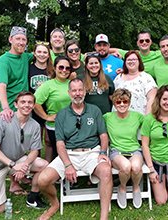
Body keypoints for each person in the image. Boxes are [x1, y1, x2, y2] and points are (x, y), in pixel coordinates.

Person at [37, 78, 112, 220]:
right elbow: (59, 143)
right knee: (42, 180)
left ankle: (104, 217)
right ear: (69, 92)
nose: (77, 93)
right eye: (74, 90)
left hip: (92, 152)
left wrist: (102, 152)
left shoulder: (94, 110)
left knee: (106, 172)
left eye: (80, 90)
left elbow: (103, 135)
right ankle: (54, 204)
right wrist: (67, 164)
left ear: (85, 91)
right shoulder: (62, 114)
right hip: (69, 153)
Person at [0, 91, 49, 213]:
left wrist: (25, 166)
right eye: (23, 102)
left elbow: (34, 151)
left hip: (18, 160)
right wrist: (14, 165)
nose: (26, 105)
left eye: (30, 102)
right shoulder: (3, 119)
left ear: (34, 105)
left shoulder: (34, 125)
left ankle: (33, 197)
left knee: (44, 165)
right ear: (16, 104)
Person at [141, 85, 168, 204]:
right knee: (161, 200)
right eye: (164, 99)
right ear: (158, 99)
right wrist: (151, 169)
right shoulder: (149, 119)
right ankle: (161, 180)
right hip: (156, 162)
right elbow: (145, 145)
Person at [104, 88, 144, 209]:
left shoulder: (138, 116)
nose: (122, 104)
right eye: (118, 102)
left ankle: (136, 187)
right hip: (116, 151)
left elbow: (152, 124)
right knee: (126, 166)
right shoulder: (107, 117)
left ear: (129, 102)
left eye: (125, 101)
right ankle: (122, 187)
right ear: (114, 103)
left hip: (134, 149)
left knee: (136, 167)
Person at [34, 56, 72, 161]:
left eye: (67, 68)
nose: (64, 70)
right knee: (58, 155)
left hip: (73, 125)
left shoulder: (72, 84)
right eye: (61, 67)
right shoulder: (48, 85)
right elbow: (35, 102)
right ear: (55, 68)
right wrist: (46, 117)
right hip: (55, 127)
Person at [0, 26, 33, 122]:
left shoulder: (26, 57)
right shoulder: (4, 60)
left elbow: (42, 54)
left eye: (23, 39)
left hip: (26, 108)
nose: (21, 42)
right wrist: (6, 108)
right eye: (18, 39)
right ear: (10, 39)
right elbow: (2, 86)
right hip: (11, 110)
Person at [29, 41, 54, 162]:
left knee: (48, 140)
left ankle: (48, 164)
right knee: (36, 140)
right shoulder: (29, 69)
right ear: (34, 53)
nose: (42, 54)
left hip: (49, 107)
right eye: (39, 51)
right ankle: (36, 164)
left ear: (49, 54)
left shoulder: (52, 71)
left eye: (45, 52)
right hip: (34, 109)